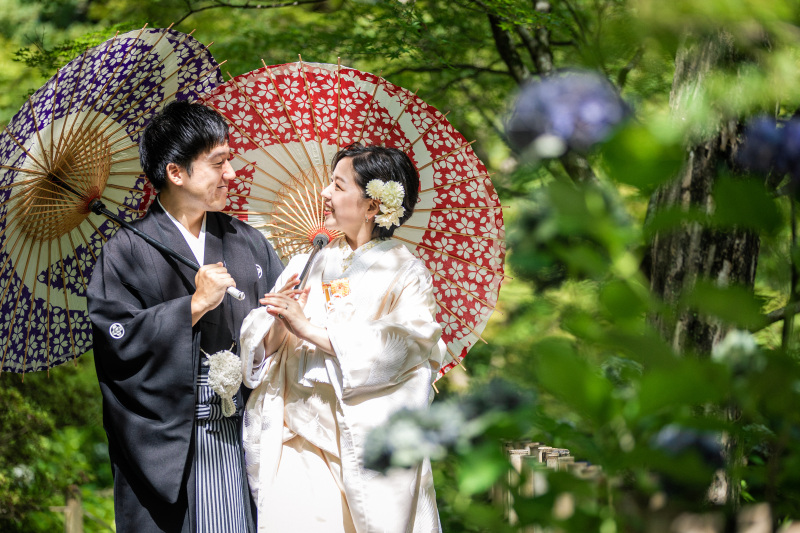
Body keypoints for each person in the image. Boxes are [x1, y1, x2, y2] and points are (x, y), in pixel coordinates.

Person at [88, 100, 283, 533]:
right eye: (218, 163)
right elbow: (115, 341)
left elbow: (278, 328)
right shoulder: (126, 251)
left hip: (246, 432)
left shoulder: (248, 243)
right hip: (169, 441)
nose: (231, 173)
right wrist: (193, 306)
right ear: (176, 173)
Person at [239, 143, 445, 533]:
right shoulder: (306, 263)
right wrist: (280, 321)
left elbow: (408, 346)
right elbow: (263, 347)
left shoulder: (407, 273)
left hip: (357, 435)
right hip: (296, 434)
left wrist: (310, 329)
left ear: (372, 206)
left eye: (337, 185)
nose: (325, 194)